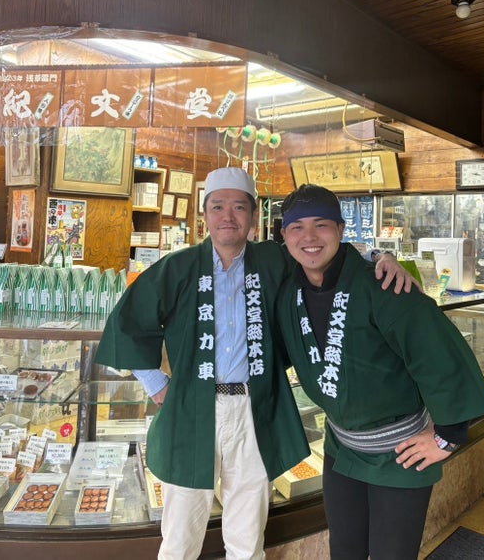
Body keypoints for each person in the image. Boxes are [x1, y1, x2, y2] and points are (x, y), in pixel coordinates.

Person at [94, 167, 417, 560]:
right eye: (217, 207)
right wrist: (156, 384)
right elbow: (127, 321)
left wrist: (381, 257)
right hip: (192, 409)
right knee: (180, 535)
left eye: (238, 207)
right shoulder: (178, 267)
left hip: (255, 407)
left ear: (252, 215)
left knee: (247, 537)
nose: (227, 216)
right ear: (205, 214)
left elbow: (324, 254)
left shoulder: (272, 259)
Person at [276, 183, 484, 560]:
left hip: (399, 454)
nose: (309, 237)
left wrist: (447, 437)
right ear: (283, 236)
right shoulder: (288, 291)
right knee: (344, 550)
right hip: (341, 448)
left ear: (341, 230)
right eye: (297, 227)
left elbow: (437, 353)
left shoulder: (383, 285)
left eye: (321, 225)